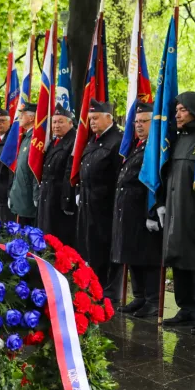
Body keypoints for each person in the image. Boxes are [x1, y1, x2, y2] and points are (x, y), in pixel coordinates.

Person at [157, 92, 195, 335]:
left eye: (182, 109)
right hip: (176, 209)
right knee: (178, 257)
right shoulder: (179, 138)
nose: (177, 115)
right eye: (177, 109)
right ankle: (187, 308)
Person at [111, 102, 163, 317]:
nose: (139, 126)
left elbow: (154, 181)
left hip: (144, 210)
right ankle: (139, 296)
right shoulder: (138, 145)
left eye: (144, 121)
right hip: (129, 211)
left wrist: (151, 212)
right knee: (132, 254)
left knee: (147, 257)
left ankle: (153, 300)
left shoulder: (156, 147)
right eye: (137, 122)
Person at [76, 99, 121, 292]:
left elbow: (118, 176)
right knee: (90, 246)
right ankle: (93, 286)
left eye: (95, 118)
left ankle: (108, 289)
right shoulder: (93, 140)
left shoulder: (117, 141)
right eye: (90, 119)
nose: (92, 122)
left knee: (104, 248)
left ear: (108, 117)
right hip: (88, 203)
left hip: (106, 206)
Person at [37, 104, 77, 246]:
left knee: (59, 241)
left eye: (61, 121)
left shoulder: (74, 142)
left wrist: (67, 202)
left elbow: (69, 174)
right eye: (54, 122)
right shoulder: (54, 142)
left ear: (70, 123)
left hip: (60, 200)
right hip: (48, 197)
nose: (56, 125)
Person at [8, 101, 38, 225]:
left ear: (32, 117)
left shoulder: (35, 138)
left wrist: (36, 196)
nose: (19, 117)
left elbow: (34, 169)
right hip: (20, 198)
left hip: (28, 200)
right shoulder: (26, 137)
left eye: (23, 114)